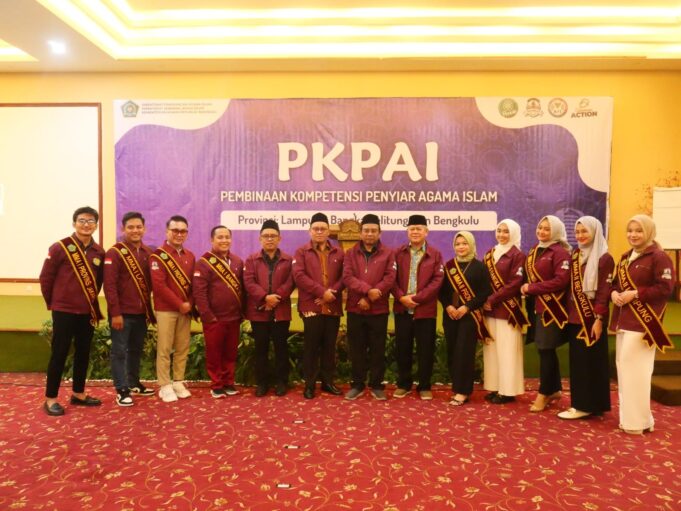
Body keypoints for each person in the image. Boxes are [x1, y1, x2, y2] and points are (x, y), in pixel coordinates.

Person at [610, 214, 675, 435]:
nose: (633, 235)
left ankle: (636, 423)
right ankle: (636, 420)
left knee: (636, 374)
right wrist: (614, 293)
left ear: (648, 232)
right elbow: (615, 284)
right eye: (630, 230)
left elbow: (665, 288)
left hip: (643, 324)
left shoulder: (659, 257)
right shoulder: (625, 256)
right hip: (623, 321)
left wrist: (636, 294)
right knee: (625, 372)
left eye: (638, 231)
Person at [39, 206, 105, 416]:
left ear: (96, 225)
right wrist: (55, 303)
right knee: (59, 354)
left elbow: (98, 282)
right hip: (63, 311)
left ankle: (78, 393)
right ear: (74, 223)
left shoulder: (99, 252)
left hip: (86, 312)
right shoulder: (60, 247)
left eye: (91, 221)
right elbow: (46, 278)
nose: (86, 224)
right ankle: (51, 399)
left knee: (83, 353)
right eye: (82, 220)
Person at [558, 216, 614, 420]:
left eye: (584, 231)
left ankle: (587, 405)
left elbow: (604, 292)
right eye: (577, 232)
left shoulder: (605, 258)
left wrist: (599, 319)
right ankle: (587, 404)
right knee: (579, 363)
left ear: (595, 232)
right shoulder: (575, 254)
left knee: (593, 362)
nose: (580, 235)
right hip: (575, 317)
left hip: (592, 318)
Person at [103, 211, 155, 407]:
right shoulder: (115, 252)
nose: (135, 230)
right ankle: (122, 390)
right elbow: (110, 285)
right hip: (121, 314)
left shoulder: (148, 252)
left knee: (135, 350)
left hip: (141, 313)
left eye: (138, 227)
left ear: (144, 229)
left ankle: (133, 383)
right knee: (119, 352)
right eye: (130, 227)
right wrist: (115, 313)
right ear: (122, 229)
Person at [342, 214, 396, 401]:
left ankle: (376, 385)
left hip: (378, 309)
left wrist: (372, 296)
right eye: (366, 230)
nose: (370, 234)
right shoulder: (350, 253)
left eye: (374, 231)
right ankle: (357, 384)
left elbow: (390, 278)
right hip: (355, 308)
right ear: (360, 232)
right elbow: (347, 277)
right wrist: (367, 292)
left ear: (380, 233)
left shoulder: (388, 253)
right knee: (356, 349)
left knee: (377, 349)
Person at [521, 215, 571, 413]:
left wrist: (532, 288)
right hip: (537, 307)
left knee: (546, 348)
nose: (541, 232)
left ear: (556, 231)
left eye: (547, 229)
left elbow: (561, 281)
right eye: (540, 227)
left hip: (552, 309)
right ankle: (554, 389)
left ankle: (544, 393)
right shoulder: (535, 250)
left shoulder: (560, 252)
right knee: (544, 349)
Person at [391, 214, 444, 400]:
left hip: (425, 310)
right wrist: (401, 297)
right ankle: (403, 384)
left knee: (425, 350)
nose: (415, 232)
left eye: (419, 229)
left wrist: (417, 298)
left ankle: (424, 386)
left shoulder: (435, 254)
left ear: (426, 232)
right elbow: (391, 278)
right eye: (412, 229)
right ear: (407, 231)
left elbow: (437, 280)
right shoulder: (397, 253)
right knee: (402, 348)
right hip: (402, 309)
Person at [292, 213, 344, 399]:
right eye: (316, 229)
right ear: (310, 231)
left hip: (332, 306)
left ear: (329, 231)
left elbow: (345, 276)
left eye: (323, 228)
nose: (319, 231)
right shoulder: (301, 252)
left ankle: (328, 382)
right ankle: (310, 385)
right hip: (311, 306)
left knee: (330, 347)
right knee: (311, 347)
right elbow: (299, 276)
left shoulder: (339, 252)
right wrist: (322, 292)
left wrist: (331, 293)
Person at [439, 231, 492, 406]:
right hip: (450, 315)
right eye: (458, 244)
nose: (461, 247)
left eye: (464, 243)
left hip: (470, 317)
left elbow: (484, 293)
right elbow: (441, 292)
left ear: (471, 245)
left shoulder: (480, 267)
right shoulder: (449, 266)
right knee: (453, 352)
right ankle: (457, 387)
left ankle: (463, 391)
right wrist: (448, 306)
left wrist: (466, 307)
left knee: (464, 353)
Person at [244, 219, 295, 397]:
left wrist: (276, 298)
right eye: (266, 236)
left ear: (279, 238)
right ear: (260, 239)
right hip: (259, 311)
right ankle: (262, 383)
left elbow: (291, 282)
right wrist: (265, 297)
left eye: (273, 236)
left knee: (281, 348)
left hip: (281, 311)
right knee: (261, 349)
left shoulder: (288, 260)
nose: (270, 239)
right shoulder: (252, 260)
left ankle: (281, 382)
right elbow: (249, 282)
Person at [193, 226, 244, 399]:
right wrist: (207, 315)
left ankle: (228, 382)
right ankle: (216, 384)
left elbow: (242, 289)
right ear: (212, 240)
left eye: (227, 237)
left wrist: (241, 312)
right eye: (220, 237)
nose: (224, 240)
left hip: (234, 317)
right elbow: (199, 292)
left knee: (230, 353)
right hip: (214, 318)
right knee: (214, 353)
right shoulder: (204, 263)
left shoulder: (237, 261)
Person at [482, 219, 529, 404]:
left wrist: (491, 299)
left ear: (514, 233)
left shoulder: (518, 255)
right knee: (492, 350)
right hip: (489, 310)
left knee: (508, 351)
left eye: (506, 231)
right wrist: (483, 300)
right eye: (499, 230)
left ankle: (508, 391)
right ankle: (495, 387)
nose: (501, 235)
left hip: (508, 310)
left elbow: (515, 283)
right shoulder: (490, 253)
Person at [150, 215, 196, 403]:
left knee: (182, 347)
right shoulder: (158, 256)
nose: (179, 234)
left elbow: (194, 284)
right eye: (175, 230)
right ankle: (164, 385)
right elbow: (159, 286)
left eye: (183, 231)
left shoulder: (190, 255)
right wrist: (180, 304)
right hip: (166, 309)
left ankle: (178, 381)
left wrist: (190, 303)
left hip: (186, 310)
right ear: (167, 231)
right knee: (165, 348)